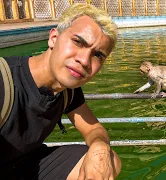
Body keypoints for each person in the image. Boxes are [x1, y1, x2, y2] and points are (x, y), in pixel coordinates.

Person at [0, 3, 121, 179]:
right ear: (54, 38)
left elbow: (93, 129)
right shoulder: (4, 81)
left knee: (108, 160)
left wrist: (100, 146)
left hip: (25, 166)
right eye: (78, 42)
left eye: (98, 55)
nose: (85, 60)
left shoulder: (68, 91)